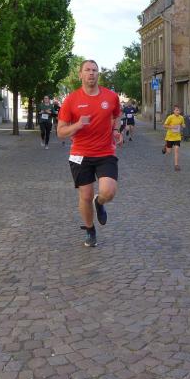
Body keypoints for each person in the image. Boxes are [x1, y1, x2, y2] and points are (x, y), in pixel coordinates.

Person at [57, 60, 122, 247]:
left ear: (98, 74)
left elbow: (117, 115)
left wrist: (116, 130)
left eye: (94, 70)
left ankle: (99, 202)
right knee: (85, 195)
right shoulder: (71, 100)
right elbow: (60, 132)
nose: (91, 73)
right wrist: (78, 125)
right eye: (87, 70)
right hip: (80, 154)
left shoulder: (111, 97)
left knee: (108, 192)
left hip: (105, 152)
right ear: (80, 75)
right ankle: (90, 229)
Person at [161, 105, 185, 171]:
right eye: (176, 110)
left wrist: (183, 125)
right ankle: (166, 146)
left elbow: (182, 124)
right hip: (170, 137)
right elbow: (164, 125)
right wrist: (172, 127)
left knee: (176, 149)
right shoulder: (170, 117)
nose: (178, 111)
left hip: (177, 137)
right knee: (169, 151)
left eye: (179, 110)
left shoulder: (181, 118)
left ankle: (176, 165)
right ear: (174, 111)